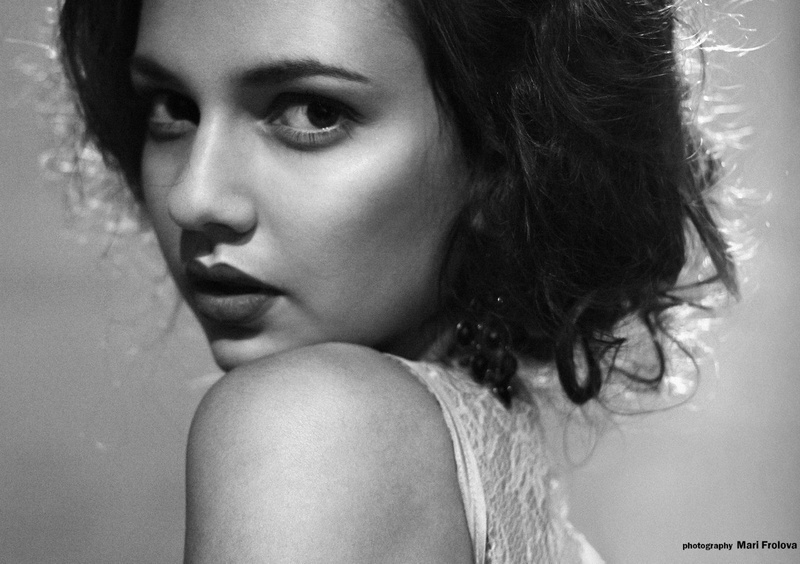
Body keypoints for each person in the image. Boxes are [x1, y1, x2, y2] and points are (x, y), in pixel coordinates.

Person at [56, 0, 737, 561]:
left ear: (501, 157)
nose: (194, 198)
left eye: (314, 113)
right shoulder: (483, 465)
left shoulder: (309, 425)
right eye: (173, 107)